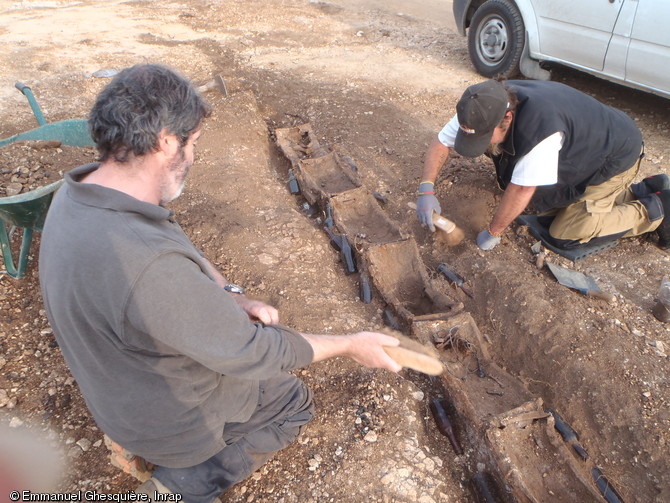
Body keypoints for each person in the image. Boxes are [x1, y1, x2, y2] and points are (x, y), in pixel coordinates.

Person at [38, 64, 402, 502]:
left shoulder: (82, 193)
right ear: (166, 142)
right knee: (291, 402)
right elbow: (252, 352)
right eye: (192, 144)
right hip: (169, 423)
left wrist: (231, 295)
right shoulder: (148, 263)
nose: (193, 156)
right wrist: (348, 344)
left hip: (117, 390)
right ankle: (176, 486)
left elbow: (170, 245)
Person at [415, 78, 670, 251]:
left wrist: (493, 232)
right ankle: (639, 190)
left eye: (484, 137)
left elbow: (522, 190)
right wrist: (426, 189)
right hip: (584, 143)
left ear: (507, 118)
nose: (479, 144)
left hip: (613, 157)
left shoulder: (540, 132)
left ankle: (654, 207)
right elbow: (441, 143)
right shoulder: (481, 106)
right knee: (538, 202)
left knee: (564, 231)